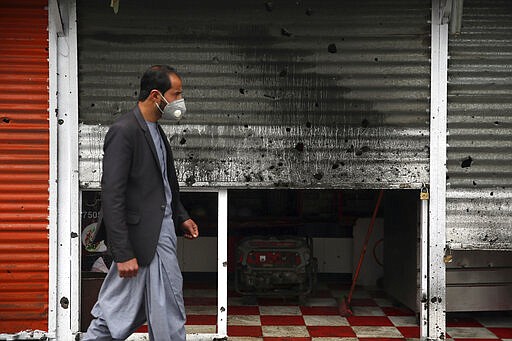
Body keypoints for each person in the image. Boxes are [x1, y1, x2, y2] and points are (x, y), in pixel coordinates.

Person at [83, 65, 199, 341]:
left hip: (158, 235)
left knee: (118, 312)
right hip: (144, 241)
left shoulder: (156, 132)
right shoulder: (125, 131)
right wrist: (122, 253)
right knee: (166, 309)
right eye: (177, 94)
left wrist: (181, 216)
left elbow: (164, 185)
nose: (180, 101)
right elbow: (112, 194)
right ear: (157, 96)